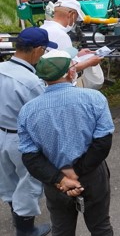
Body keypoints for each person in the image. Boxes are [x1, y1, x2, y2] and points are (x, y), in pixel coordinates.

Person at [18, 50, 115, 235]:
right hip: (92, 174)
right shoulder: (94, 99)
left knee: (61, 229)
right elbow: (102, 142)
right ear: (71, 73)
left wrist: (61, 179)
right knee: (101, 227)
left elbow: (30, 156)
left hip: (55, 178)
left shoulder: (27, 111)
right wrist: (76, 172)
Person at [0, 28, 56, 236]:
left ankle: (18, 220)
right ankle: (25, 230)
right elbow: (43, 114)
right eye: (44, 51)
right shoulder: (31, 82)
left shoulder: (1, 68)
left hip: (0, 133)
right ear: (37, 50)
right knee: (28, 184)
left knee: (7, 180)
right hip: (21, 139)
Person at [40, 0, 102, 75]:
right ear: (71, 14)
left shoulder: (43, 28)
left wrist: (78, 54)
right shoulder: (61, 35)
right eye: (75, 18)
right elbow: (69, 68)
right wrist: (90, 62)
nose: (74, 22)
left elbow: (56, 57)